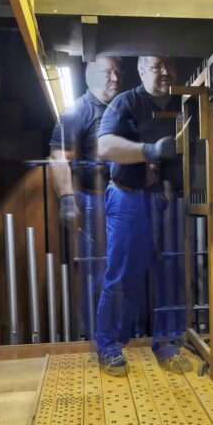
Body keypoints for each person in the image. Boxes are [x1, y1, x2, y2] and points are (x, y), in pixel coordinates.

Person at [95, 56, 187, 373]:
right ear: (142, 70)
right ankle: (109, 346)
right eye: (158, 65)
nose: (165, 71)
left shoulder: (185, 102)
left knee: (172, 276)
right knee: (121, 277)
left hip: (170, 200)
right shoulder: (126, 102)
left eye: (169, 65)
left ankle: (168, 344)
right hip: (129, 198)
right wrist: (149, 151)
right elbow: (105, 146)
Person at [49, 56, 122, 339]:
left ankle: (123, 334)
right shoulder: (77, 111)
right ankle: (96, 337)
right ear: (91, 75)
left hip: (123, 201)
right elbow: (58, 156)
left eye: (118, 72)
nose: (115, 78)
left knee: (124, 270)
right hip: (94, 203)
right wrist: (67, 199)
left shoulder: (122, 108)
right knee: (97, 274)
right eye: (108, 72)